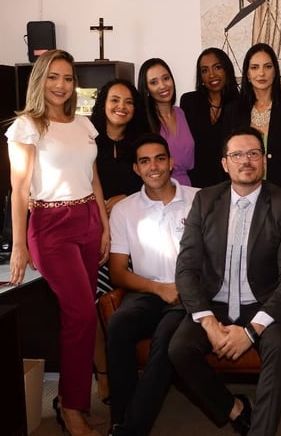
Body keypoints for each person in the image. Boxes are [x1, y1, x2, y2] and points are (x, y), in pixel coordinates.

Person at [168, 126, 281, 436]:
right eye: (238, 154)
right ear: (224, 163)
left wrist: (252, 331)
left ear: (264, 161)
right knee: (179, 349)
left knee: (280, 346)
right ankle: (234, 409)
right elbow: (186, 269)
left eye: (254, 153)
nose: (246, 160)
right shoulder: (205, 200)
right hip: (214, 303)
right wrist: (207, 323)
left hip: (262, 304)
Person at [6, 49, 109, 436]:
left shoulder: (84, 125)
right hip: (50, 224)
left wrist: (104, 226)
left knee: (81, 315)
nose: (61, 85)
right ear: (40, 79)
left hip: (87, 221)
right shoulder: (27, 126)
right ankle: (70, 408)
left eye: (67, 78)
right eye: (53, 77)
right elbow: (18, 190)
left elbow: (94, 179)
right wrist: (20, 245)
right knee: (81, 314)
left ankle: (75, 403)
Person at [105, 134, 198, 436]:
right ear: (136, 169)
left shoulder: (200, 200)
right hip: (148, 291)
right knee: (118, 324)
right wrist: (159, 289)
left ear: (171, 163)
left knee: (164, 340)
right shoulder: (125, 210)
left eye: (160, 158)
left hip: (189, 295)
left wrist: (183, 289)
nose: (154, 166)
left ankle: (130, 430)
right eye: (145, 161)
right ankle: (120, 418)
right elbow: (118, 272)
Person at [89, 78, 151, 401]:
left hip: (132, 235)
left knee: (125, 303)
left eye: (128, 102)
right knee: (98, 306)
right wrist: (103, 209)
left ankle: (129, 371)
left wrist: (124, 197)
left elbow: (153, 183)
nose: (121, 107)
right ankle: (103, 375)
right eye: (115, 100)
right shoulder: (88, 140)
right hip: (97, 233)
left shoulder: (140, 144)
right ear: (104, 103)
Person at [222, 43, 281, 190]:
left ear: (275, 72)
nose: (261, 73)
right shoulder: (233, 110)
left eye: (267, 67)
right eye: (255, 67)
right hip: (244, 192)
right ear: (247, 74)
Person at [180, 47, 239, 187]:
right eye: (205, 70)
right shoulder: (189, 102)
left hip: (229, 183)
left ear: (227, 70)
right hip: (195, 184)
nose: (211, 75)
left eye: (217, 67)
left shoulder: (240, 104)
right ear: (200, 77)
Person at [138, 58, 195, 186]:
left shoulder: (183, 113)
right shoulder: (143, 122)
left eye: (166, 78)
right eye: (154, 82)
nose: (163, 85)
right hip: (158, 190)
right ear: (146, 89)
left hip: (187, 189)